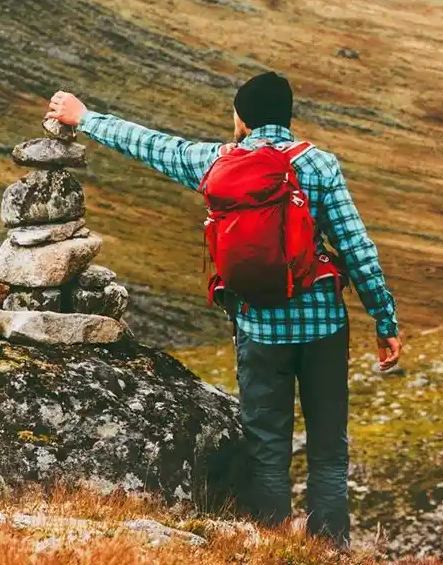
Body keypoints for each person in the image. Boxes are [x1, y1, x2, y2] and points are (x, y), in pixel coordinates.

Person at [45, 72, 400, 547]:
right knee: (329, 455)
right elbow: (357, 247)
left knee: (267, 452)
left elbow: (150, 144)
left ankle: (275, 551)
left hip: (258, 330)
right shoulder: (319, 165)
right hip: (323, 331)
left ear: (242, 118)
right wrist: (384, 320)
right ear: (286, 117)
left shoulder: (216, 162)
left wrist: (85, 118)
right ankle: (330, 552)